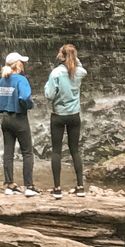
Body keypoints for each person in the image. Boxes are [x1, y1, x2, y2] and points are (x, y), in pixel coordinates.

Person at [0, 50, 39, 196]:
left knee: (8, 153)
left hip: (6, 119)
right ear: (18, 64)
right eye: (22, 62)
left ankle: (10, 185)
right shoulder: (21, 80)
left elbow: (0, 99)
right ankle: (29, 186)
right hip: (19, 118)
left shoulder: (3, 80)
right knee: (27, 152)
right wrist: (30, 105)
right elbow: (25, 97)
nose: (24, 64)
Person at [44, 44, 87, 198]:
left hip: (58, 115)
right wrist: (75, 59)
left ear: (61, 56)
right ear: (74, 56)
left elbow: (49, 95)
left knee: (56, 151)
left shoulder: (55, 73)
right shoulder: (79, 72)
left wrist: (47, 86)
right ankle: (80, 187)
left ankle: (57, 188)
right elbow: (81, 67)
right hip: (74, 115)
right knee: (75, 150)